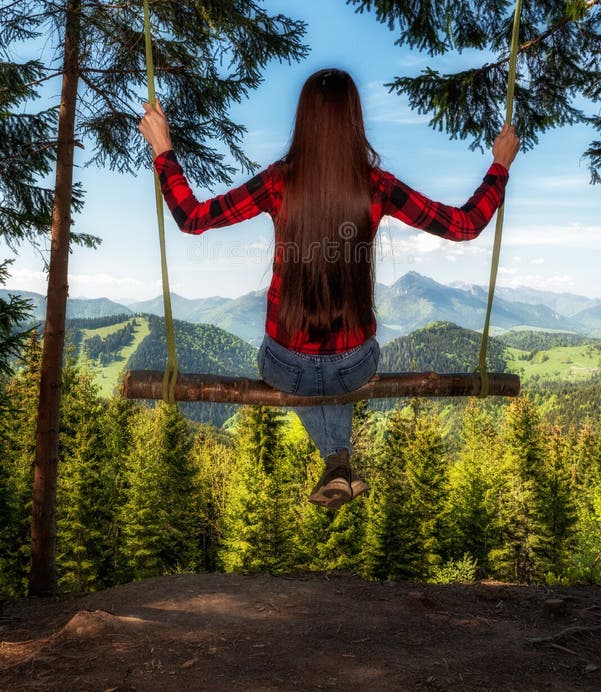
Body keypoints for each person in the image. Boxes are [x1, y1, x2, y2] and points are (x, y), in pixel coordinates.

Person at [138, 68, 519, 510]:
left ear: (303, 121)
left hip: (284, 363)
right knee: (332, 372)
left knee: (306, 370)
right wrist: (500, 166)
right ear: (354, 120)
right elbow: (465, 225)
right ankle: (337, 461)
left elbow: (193, 217)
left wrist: (163, 149)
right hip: (355, 363)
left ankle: (337, 460)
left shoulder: (279, 181)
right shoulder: (378, 186)